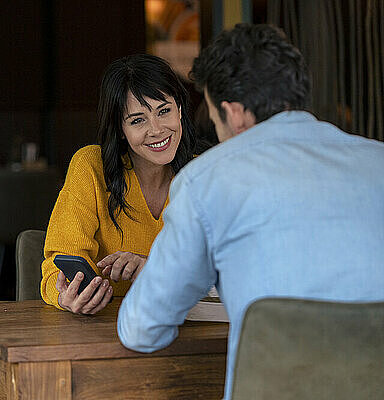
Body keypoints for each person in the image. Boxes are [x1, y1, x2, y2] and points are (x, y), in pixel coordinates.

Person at [117, 24, 384, 400]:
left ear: (234, 113)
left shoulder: (206, 181)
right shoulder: (378, 161)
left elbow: (142, 327)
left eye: (212, 115)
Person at [40, 54, 197, 314]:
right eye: (137, 120)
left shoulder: (205, 175)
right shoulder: (91, 167)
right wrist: (66, 294)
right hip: (102, 327)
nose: (156, 129)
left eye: (164, 111)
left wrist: (155, 269)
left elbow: (224, 275)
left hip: (187, 328)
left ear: (179, 109)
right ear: (119, 128)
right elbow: (58, 264)